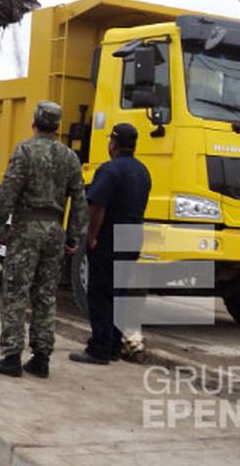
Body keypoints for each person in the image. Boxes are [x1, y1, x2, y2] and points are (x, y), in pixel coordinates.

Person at [0, 101, 88, 378]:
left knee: (16, 292)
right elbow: (79, 199)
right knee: (45, 294)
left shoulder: (25, 151)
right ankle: (41, 358)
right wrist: (74, 235)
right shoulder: (70, 157)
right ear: (57, 125)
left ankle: (11, 356)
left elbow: (9, 191)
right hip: (55, 230)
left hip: (27, 229)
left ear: (34, 122)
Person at [70, 122, 151, 365]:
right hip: (133, 234)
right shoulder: (142, 171)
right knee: (119, 293)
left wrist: (92, 236)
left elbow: (98, 207)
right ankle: (115, 346)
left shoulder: (109, 170)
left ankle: (99, 349)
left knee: (100, 293)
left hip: (111, 237)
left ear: (113, 143)